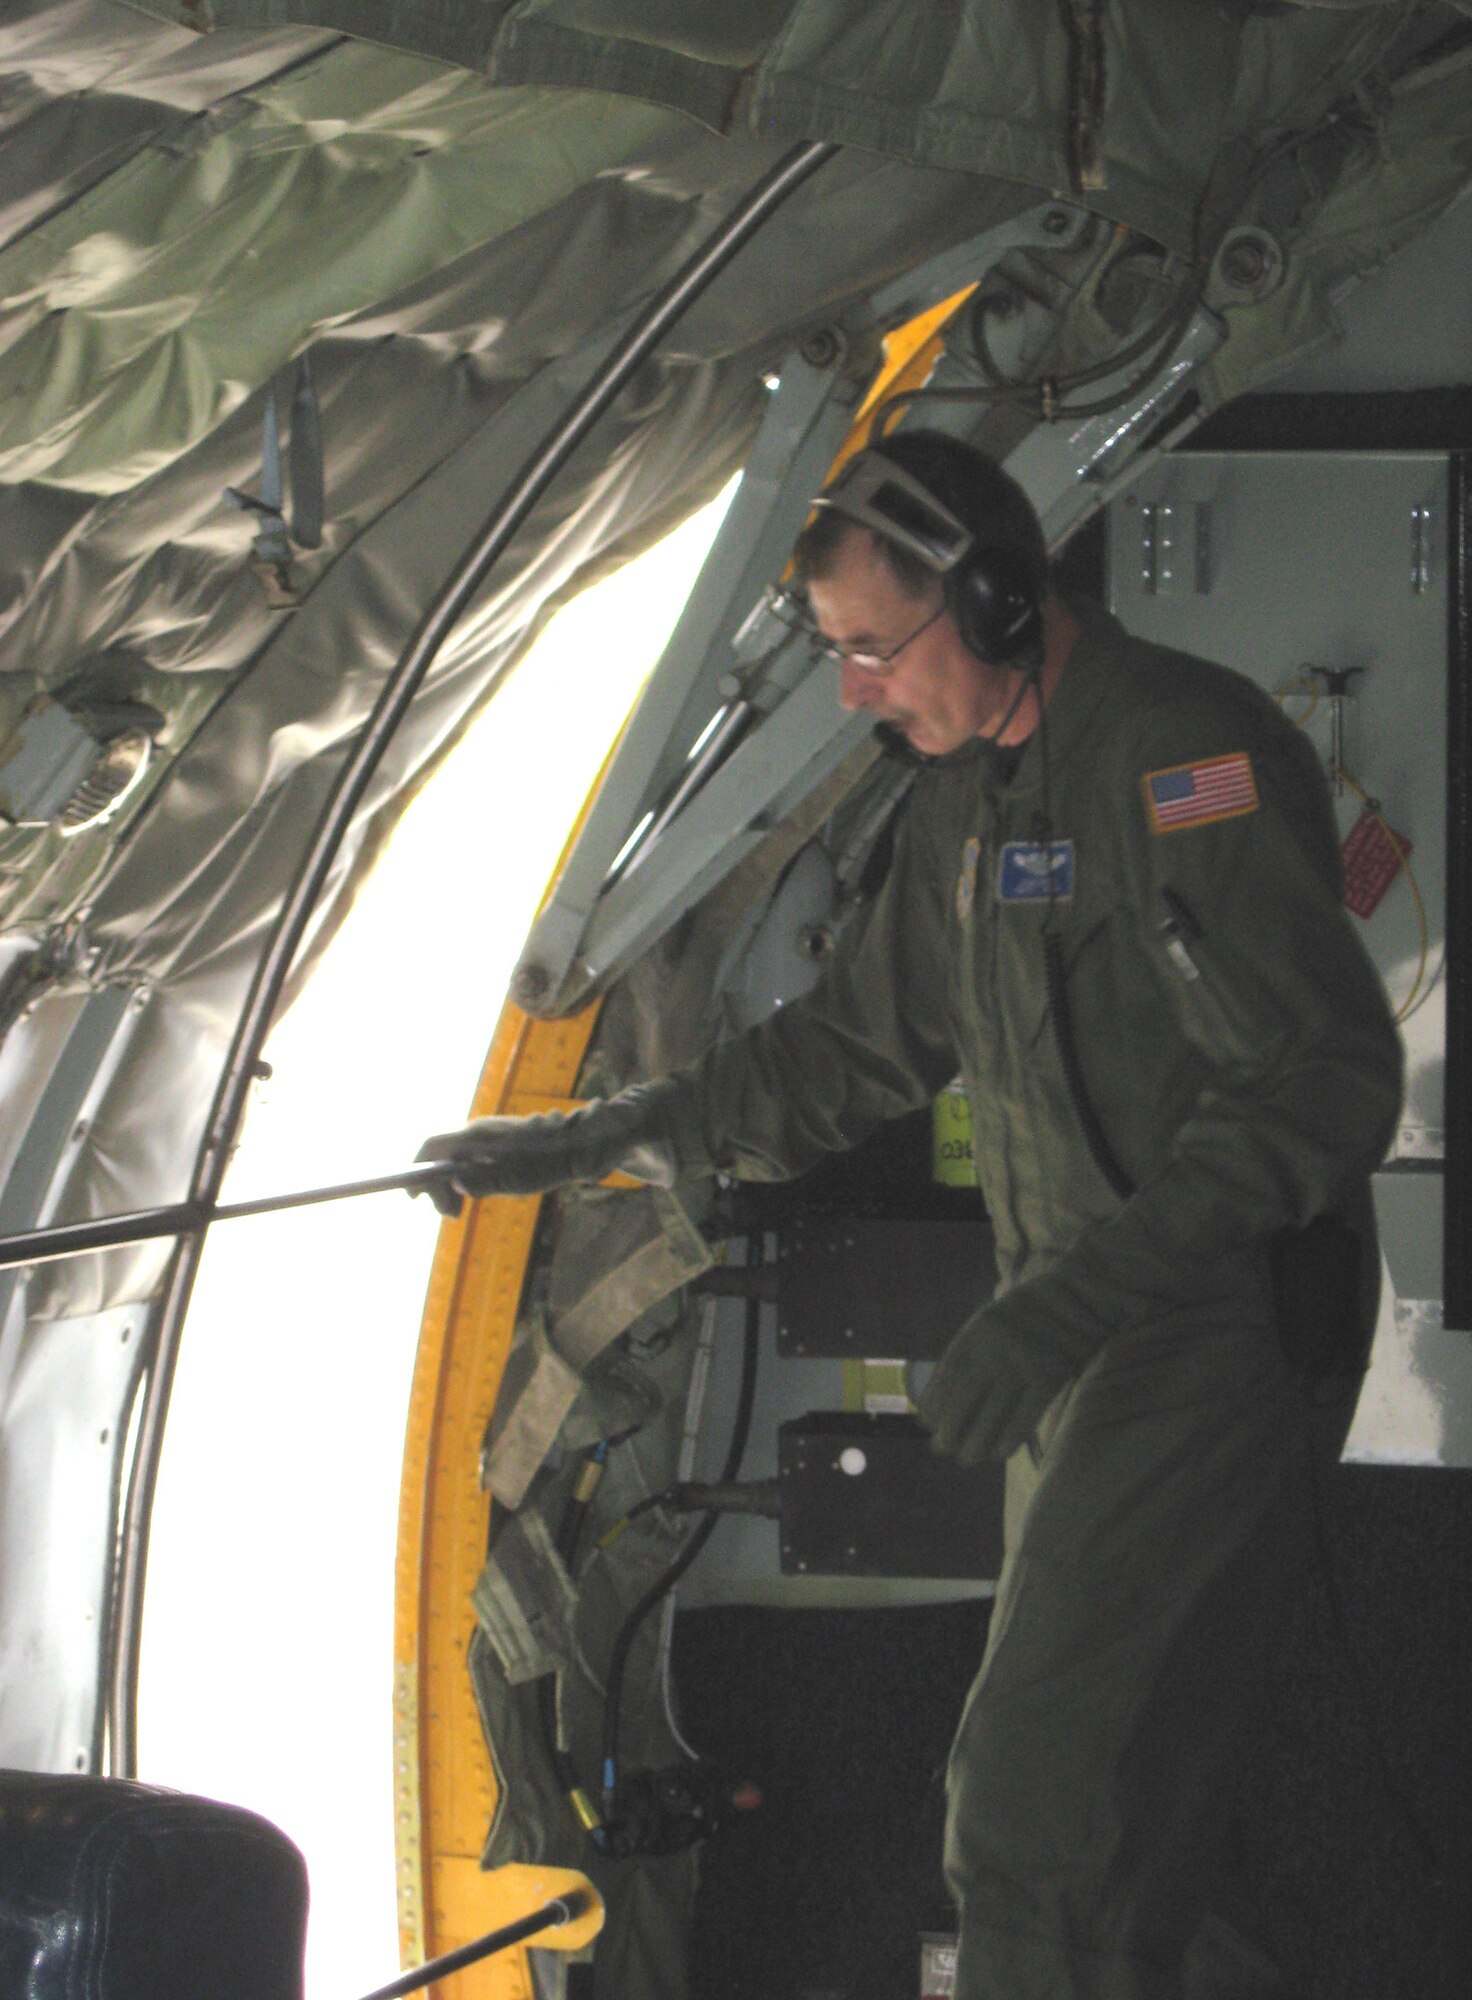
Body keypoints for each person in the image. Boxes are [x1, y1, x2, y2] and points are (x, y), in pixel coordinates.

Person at [420, 431, 1404, 1998]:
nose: (855, 693)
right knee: (1117, 1813)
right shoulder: (966, 810)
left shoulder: (1181, 761)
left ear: (1002, 600)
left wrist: (1063, 1308)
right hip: (1073, 1355)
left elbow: (1327, 1085)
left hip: (1199, 1336)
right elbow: (839, 1057)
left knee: (1029, 1812)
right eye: (834, 657)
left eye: (873, 649)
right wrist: (582, 1140)